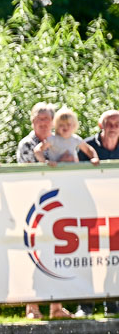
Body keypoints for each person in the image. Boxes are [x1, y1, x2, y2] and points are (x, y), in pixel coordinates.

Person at [14, 104, 71, 319]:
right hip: (34, 207)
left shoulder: (60, 141)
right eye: (39, 119)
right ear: (33, 122)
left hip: (59, 206)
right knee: (33, 256)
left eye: (47, 119)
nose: (44, 123)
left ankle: (56, 307)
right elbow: (33, 174)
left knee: (57, 255)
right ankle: (32, 307)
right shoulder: (27, 144)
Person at [76, 109, 119, 317]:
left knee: (114, 258)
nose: (113, 127)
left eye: (117, 124)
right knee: (88, 257)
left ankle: (111, 303)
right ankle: (86, 304)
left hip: (115, 212)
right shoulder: (86, 147)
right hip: (89, 211)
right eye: (109, 123)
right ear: (101, 125)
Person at [33, 107, 99, 166]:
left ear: (74, 125)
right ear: (56, 126)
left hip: (72, 171)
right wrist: (45, 162)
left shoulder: (75, 139)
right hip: (56, 171)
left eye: (68, 124)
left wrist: (95, 158)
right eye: (61, 124)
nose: (65, 127)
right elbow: (37, 150)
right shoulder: (53, 139)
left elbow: (88, 149)